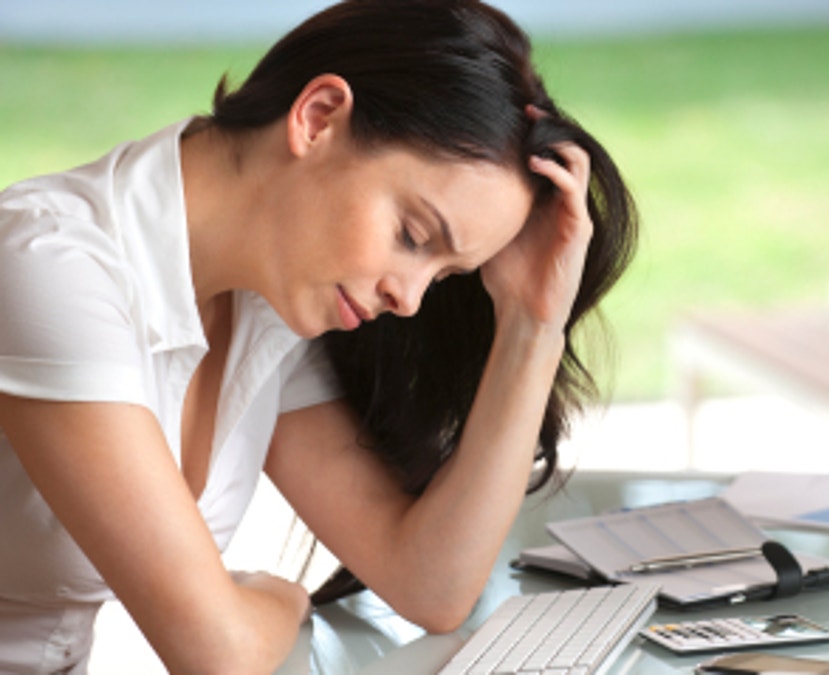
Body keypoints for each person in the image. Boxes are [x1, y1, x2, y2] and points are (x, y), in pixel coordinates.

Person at [0, 0, 638, 671]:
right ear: (318, 116)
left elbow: (431, 583)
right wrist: (279, 598)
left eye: (446, 276)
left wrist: (532, 325)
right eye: (413, 236)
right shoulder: (48, 269)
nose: (410, 297)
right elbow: (219, 651)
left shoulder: (267, 301)